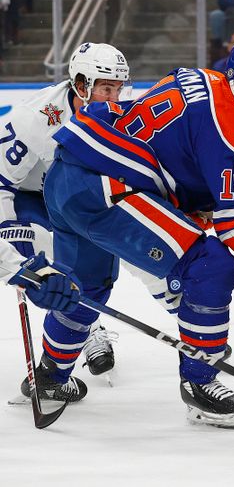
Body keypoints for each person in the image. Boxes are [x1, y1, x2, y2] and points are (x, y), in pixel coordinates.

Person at [40, 36, 234, 430]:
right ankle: (199, 384)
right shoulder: (232, 128)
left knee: (87, 288)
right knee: (211, 266)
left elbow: (170, 151)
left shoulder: (199, 78)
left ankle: (49, 377)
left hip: (67, 176)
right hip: (105, 192)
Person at [0, 43, 135, 399]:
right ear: (79, 84)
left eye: (119, 87)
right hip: (28, 198)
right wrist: (12, 237)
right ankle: (80, 332)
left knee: (93, 267)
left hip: (70, 197)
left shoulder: (120, 116)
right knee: (47, 268)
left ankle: (86, 324)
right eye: (106, 87)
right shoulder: (34, 119)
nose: (114, 96)